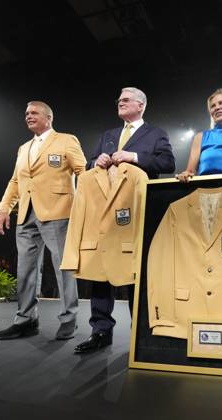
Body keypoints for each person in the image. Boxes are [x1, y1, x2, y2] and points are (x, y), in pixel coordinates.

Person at [75, 87, 175, 354]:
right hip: (104, 211)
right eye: (119, 99)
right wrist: (98, 161)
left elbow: (168, 164)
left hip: (138, 211)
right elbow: (88, 165)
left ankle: (141, 333)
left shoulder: (156, 134)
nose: (120, 102)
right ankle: (100, 331)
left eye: (126, 99)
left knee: (136, 270)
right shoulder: (107, 136)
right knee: (100, 269)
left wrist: (134, 157)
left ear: (141, 105)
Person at [0, 101, 86, 341]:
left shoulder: (67, 140)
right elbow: (15, 181)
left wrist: (87, 207)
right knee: (25, 269)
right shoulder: (23, 148)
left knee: (62, 267)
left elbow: (83, 172)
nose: (28, 116)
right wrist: (3, 209)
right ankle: (26, 320)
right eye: (26, 113)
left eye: (34, 112)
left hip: (59, 212)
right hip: (25, 215)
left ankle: (69, 319)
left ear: (49, 117)